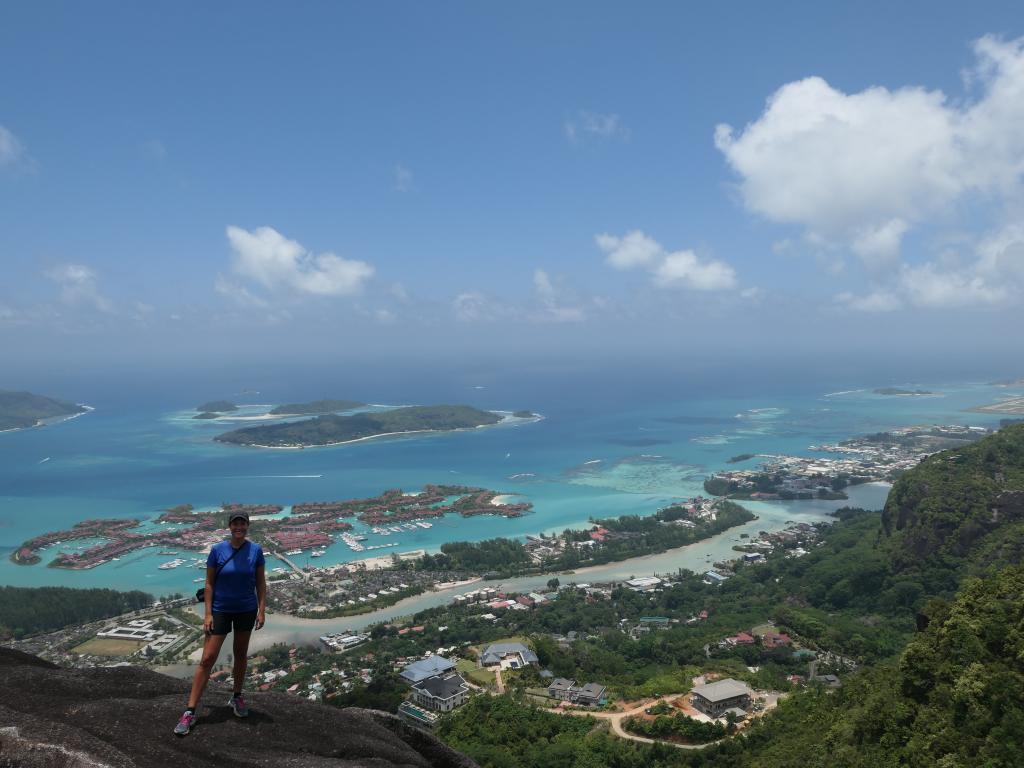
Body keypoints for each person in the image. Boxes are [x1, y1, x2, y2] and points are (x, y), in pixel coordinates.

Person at [174, 511, 266, 736]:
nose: (239, 527)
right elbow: (209, 584)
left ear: (247, 526)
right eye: (235, 523)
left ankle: (236, 697)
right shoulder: (217, 551)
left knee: (241, 655)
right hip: (220, 610)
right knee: (207, 659)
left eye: (242, 523)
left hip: (246, 609)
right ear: (229, 526)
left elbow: (261, 583)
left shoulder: (255, 550)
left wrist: (261, 610)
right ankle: (190, 711)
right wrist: (207, 614)